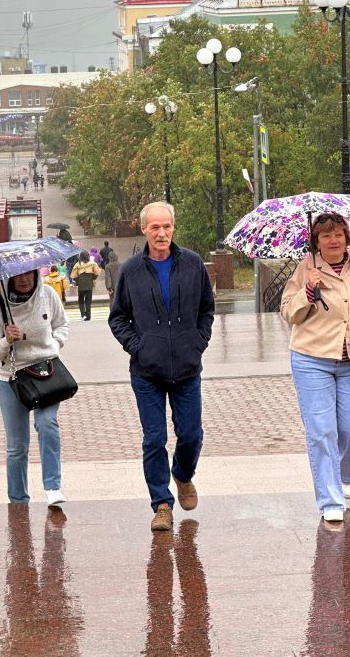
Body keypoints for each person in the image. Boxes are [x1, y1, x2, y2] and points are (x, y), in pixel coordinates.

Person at [108, 202, 214, 532]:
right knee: (154, 439)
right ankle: (162, 503)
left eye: (166, 226)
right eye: (154, 227)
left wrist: (197, 342)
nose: (161, 233)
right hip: (147, 372)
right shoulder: (130, 270)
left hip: (186, 367)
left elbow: (206, 311)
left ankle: (182, 475)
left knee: (191, 435)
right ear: (144, 229)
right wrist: (138, 347)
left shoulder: (193, 264)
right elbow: (118, 318)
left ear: (173, 228)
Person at [280, 212, 350, 524]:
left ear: (347, 237)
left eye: (338, 233)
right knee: (322, 432)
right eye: (326, 235)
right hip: (311, 359)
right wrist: (308, 292)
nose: (333, 240)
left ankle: (347, 470)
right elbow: (288, 312)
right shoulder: (306, 268)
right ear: (316, 240)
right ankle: (330, 500)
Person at [0, 269, 70, 506]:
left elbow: (62, 325)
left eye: (28, 274)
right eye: (18, 275)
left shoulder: (48, 295)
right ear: (8, 278)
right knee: (17, 445)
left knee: (47, 424)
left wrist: (54, 344)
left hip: (46, 372)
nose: (23, 279)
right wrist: (5, 341)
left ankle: (52, 486)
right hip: (11, 379)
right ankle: (18, 501)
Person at [70, 250, 100, 321]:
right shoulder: (92, 264)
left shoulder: (77, 265)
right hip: (89, 286)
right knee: (88, 301)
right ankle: (88, 316)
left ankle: (83, 315)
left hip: (81, 286)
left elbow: (73, 276)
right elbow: (97, 272)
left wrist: (78, 282)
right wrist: (92, 278)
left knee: (81, 301)